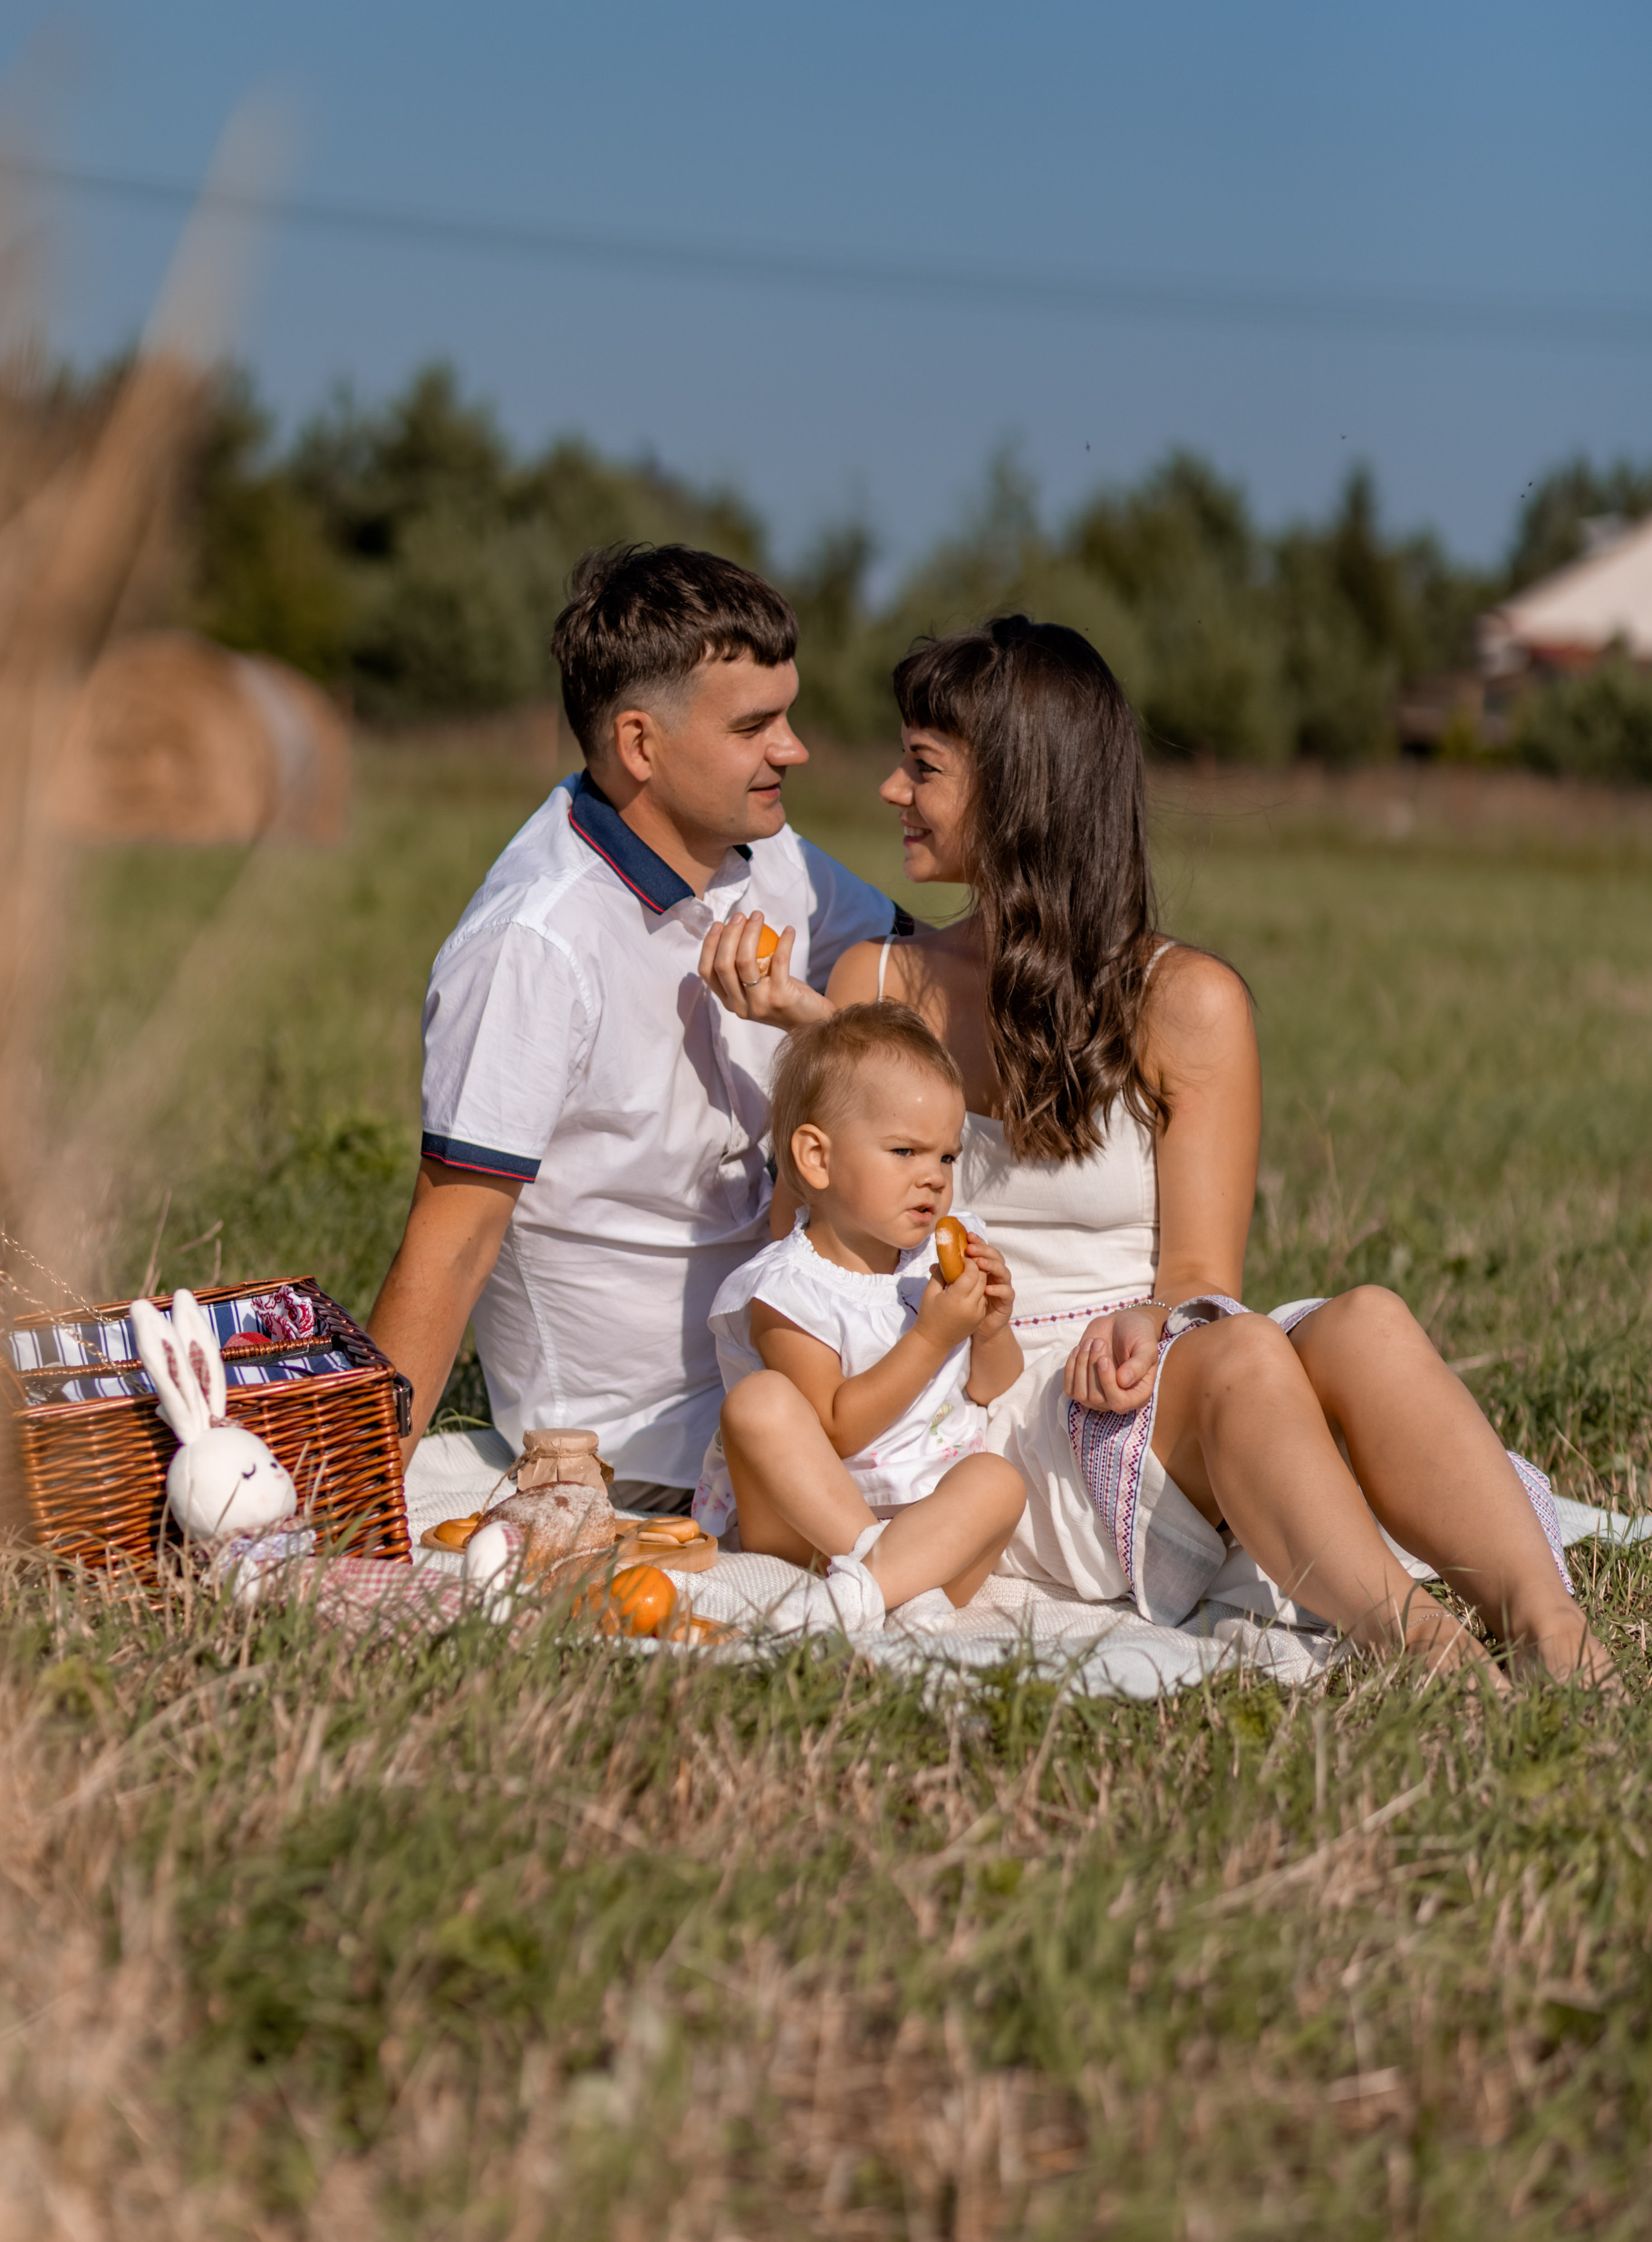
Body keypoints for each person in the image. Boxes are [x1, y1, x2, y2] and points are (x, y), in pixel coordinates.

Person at [700, 616, 1615, 1685]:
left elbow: (1198, 1283)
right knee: (1240, 1360)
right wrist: (818, 1052)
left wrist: (1153, 1318)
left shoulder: (1190, 1003)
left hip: (1136, 1367)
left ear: (1017, 791)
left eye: (925, 768)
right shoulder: (876, 984)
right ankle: (1428, 1651)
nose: (894, 792)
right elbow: (812, 1253)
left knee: (1365, 1320)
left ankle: (1555, 1632)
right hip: (978, 1409)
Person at [367, 543, 901, 1513]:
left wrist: (820, 1022)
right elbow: (450, 1246)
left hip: (809, 1367)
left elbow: (935, 995)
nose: (796, 749)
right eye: (756, 726)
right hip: (640, 1446)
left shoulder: (768, 857)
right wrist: (353, 1500)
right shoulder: (534, 946)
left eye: (787, 715)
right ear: (641, 746)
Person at [690, 1002, 1026, 1632]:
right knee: (758, 1402)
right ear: (817, 1159)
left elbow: (990, 1385)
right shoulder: (788, 1290)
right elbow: (836, 1430)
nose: (932, 1179)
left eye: (946, 1158)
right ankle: (883, 1582)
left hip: (930, 1525)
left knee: (998, 1480)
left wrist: (988, 1327)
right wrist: (931, 1336)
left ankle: (869, 1588)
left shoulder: (942, 1253)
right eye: (904, 1151)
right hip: (802, 1529)